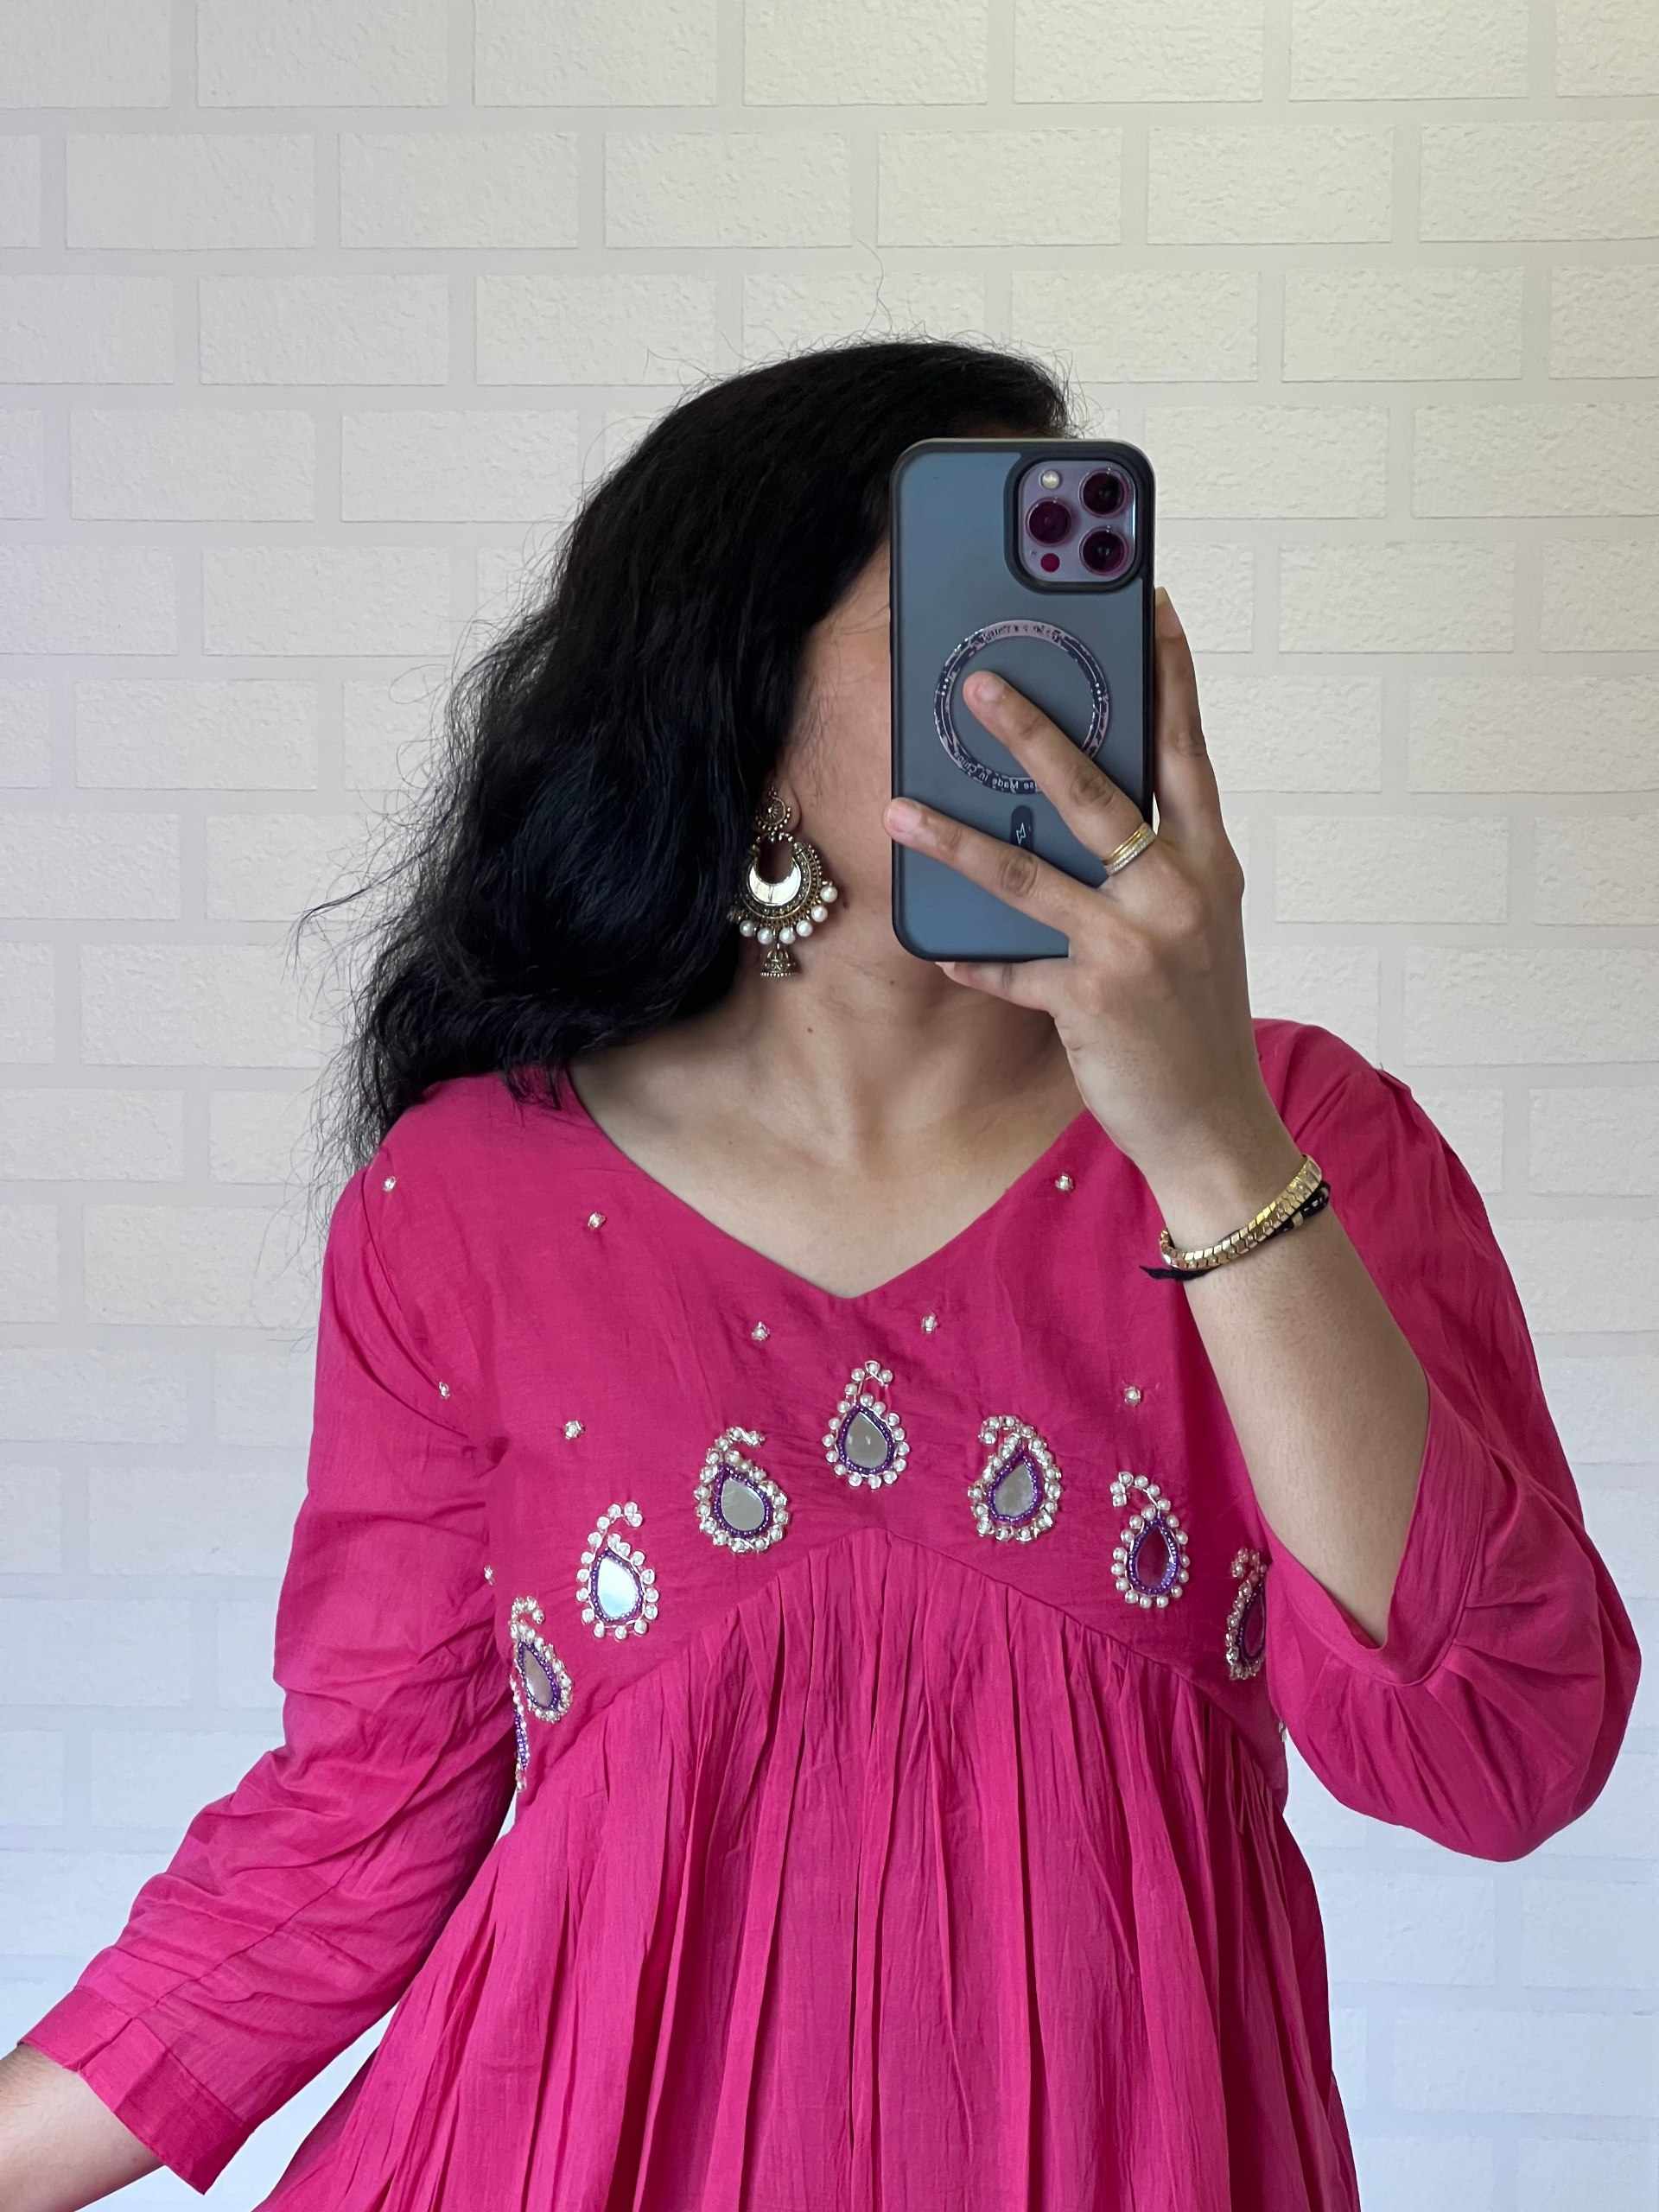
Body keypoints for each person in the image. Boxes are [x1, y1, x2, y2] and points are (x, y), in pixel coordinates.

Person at [0, 338, 1640, 2212]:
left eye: (1085, 616)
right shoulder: (461, 1205)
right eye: (966, 613)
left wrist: (1205, 1132)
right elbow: (344, 1842)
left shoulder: (1305, 1140)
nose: (1045, 682)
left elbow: (1506, 1752)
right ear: (743, 686)